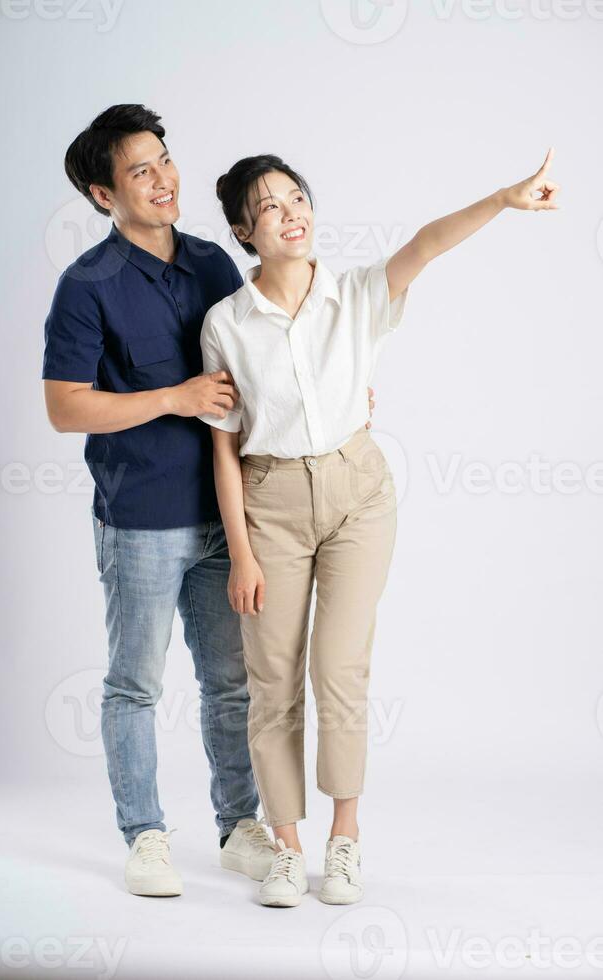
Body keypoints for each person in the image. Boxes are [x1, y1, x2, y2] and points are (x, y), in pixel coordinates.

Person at [196, 150, 560, 907]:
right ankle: (287, 849)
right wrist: (240, 551)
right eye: (270, 207)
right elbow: (224, 447)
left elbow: (425, 245)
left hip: (359, 491)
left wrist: (502, 196)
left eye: (298, 197)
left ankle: (345, 839)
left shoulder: (356, 294)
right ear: (244, 230)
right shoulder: (226, 324)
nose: (292, 213)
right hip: (272, 503)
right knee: (273, 679)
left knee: (339, 668)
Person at [41, 105, 377, 897]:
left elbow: (274, 352)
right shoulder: (84, 286)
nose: (163, 180)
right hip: (142, 518)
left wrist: (337, 394)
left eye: (164, 160)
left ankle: (239, 828)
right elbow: (65, 407)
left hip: (240, 517)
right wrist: (173, 397)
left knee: (235, 683)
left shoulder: (212, 265)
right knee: (137, 683)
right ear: (102, 194)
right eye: (139, 171)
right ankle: (146, 834)